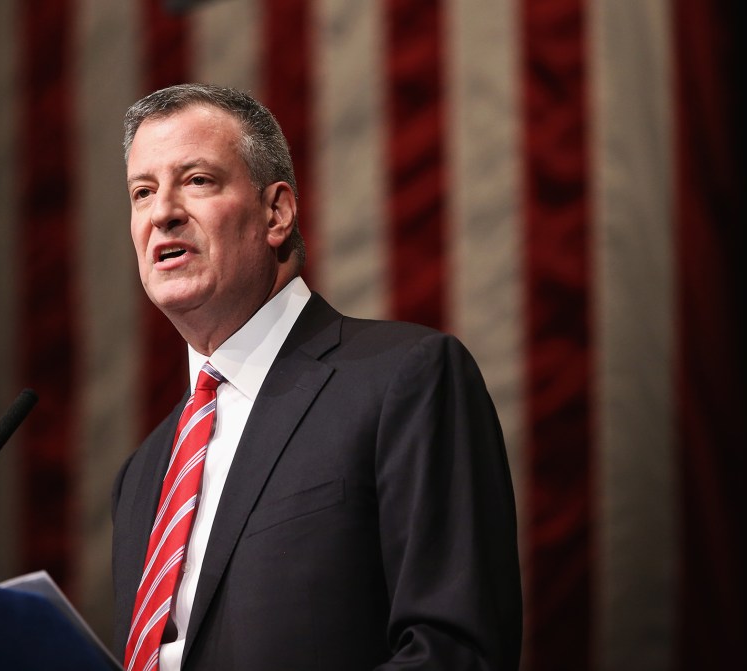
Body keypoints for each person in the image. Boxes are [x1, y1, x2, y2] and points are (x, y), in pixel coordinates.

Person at [110, 83, 522, 671]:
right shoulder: (142, 475)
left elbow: (455, 650)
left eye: (197, 180)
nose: (163, 212)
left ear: (276, 212)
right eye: (142, 192)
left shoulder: (404, 378)